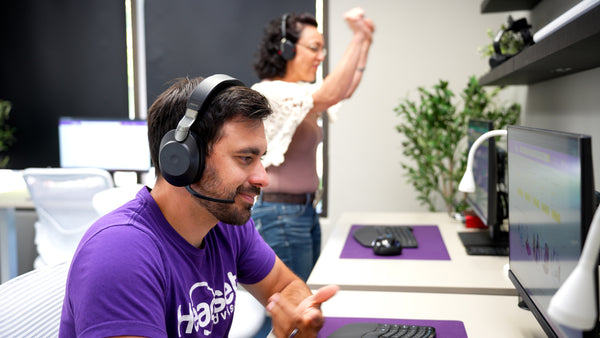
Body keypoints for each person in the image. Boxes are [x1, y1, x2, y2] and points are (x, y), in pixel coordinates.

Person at [58, 74, 338, 337]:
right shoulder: (120, 254)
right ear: (182, 159)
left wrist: (298, 314)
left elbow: (285, 286)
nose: (263, 177)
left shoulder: (224, 223)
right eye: (245, 158)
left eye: (260, 158)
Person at [251, 8, 375, 281]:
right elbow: (330, 93)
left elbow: (344, 89)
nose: (321, 56)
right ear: (286, 49)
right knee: (296, 306)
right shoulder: (269, 93)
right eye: (314, 48)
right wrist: (356, 38)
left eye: (323, 49)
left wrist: (364, 41)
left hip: (300, 212)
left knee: (301, 302)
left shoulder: (300, 96)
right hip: (280, 216)